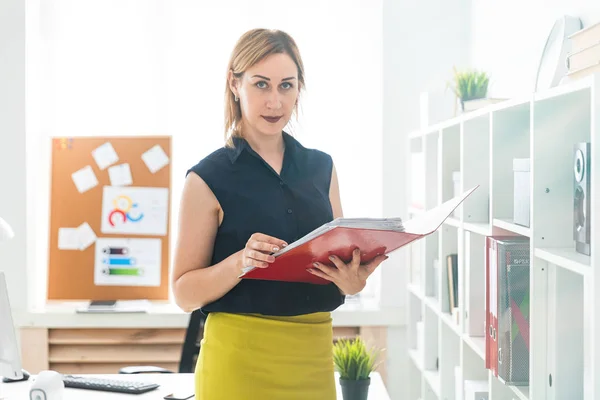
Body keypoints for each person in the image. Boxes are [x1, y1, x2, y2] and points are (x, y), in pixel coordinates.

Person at [171, 28, 388, 400]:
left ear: (299, 88)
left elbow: (337, 271)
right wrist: (241, 261)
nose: (274, 101)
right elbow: (183, 293)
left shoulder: (323, 167)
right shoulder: (206, 177)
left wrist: (352, 282)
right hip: (237, 363)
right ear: (234, 84)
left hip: (313, 357)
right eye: (261, 84)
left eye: (286, 86)